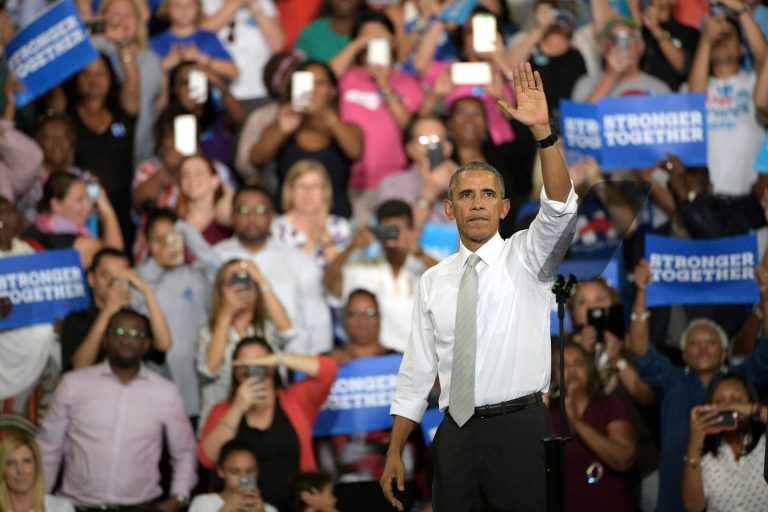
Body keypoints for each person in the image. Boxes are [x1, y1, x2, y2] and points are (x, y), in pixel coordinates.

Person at [381, 63, 577, 511]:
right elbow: (415, 374)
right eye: (466, 196)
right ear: (449, 210)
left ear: (505, 207)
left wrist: (544, 133)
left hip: (520, 428)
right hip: (454, 433)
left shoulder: (530, 257)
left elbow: (561, 209)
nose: (477, 204)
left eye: (487, 194)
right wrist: (395, 449)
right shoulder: (433, 280)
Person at [629, 259, 768, 511]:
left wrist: (766, 296)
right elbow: (640, 351)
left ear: (724, 352)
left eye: (710, 342)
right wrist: (641, 291)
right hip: (677, 502)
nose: (702, 347)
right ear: (683, 355)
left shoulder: (739, 380)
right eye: (694, 342)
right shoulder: (673, 382)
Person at [36, 308, 197, 510]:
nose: (126, 340)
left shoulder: (165, 392)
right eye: (118, 333)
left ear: (146, 344)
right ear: (106, 340)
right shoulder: (74, 384)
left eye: (135, 334)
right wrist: (41, 499)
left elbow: (184, 452)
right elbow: (48, 447)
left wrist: (178, 499)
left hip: (141, 507)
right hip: (77, 506)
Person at [197, 337, 337, 511]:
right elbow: (208, 459)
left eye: (259, 360)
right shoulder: (223, 410)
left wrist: (278, 358)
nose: (253, 367)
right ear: (234, 369)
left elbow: (328, 370)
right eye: (245, 362)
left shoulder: (296, 400)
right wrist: (238, 407)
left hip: (296, 506)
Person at [321, 290, 416, 511]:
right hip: (342, 481)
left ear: (380, 319)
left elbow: (425, 409)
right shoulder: (325, 364)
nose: (362, 320)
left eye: (369, 312)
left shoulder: (402, 362)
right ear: (343, 320)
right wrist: (325, 367)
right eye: (354, 313)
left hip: (397, 475)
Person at [213, 185, 333, 355]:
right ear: (232, 215)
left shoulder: (298, 260)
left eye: (260, 210)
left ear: (272, 216)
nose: (252, 217)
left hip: (292, 362)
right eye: (244, 210)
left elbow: (318, 317)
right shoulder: (214, 258)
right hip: (226, 363)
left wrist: (319, 363)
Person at [338, 10, 425, 225]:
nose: (373, 43)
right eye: (367, 38)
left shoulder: (408, 82)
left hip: (397, 182)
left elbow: (410, 129)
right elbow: (320, 78)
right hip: (354, 182)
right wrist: (357, 44)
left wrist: (385, 85)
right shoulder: (348, 77)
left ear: (393, 43)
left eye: (381, 38)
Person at [249, 60, 362, 218]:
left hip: (335, 220)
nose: (313, 89)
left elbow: (355, 151)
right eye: (307, 82)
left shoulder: (348, 128)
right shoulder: (282, 124)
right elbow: (256, 159)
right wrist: (282, 128)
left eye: (320, 83)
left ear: (333, 90)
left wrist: (328, 117)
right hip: (287, 222)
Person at [324, 199, 437, 353]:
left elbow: (455, 282)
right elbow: (328, 283)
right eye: (387, 230)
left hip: (421, 360)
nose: (392, 237)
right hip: (381, 360)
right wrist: (352, 247)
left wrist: (418, 253)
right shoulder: (363, 268)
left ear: (413, 231)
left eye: (397, 230)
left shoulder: (428, 267)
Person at [196, 258, 294, 430]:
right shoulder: (208, 332)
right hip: (223, 420)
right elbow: (210, 369)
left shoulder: (268, 326)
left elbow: (288, 331)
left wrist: (261, 279)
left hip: (267, 419)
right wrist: (227, 312)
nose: (240, 287)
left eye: (247, 280)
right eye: (232, 280)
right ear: (220, 291)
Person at [137, 208, 213, 418]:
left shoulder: (197, 277)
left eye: (172, 238)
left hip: (197, 382)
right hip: (157, 382)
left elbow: (219, 269)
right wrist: (157, 263)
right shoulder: (139, 280)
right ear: (147, 244)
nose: (166, 245)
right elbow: (134, 301)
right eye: (158, 240)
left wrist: (188, 233)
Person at [549, 343, 636, 511]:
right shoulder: (549, 416)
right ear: (554, 374)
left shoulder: (610, 404)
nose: (572, 370)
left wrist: (577, 424)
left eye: (578, 363)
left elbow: (624, 459)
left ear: (589, 368)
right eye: (564, 365)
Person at [687, 14, 765, 197]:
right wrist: (706, 41)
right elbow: (694, 105)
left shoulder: (754, 83)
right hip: (708, 198)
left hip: (751, 196)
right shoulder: (693, 87)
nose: (720, 39)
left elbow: (764, 59)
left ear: (741, 49)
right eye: (715, 36)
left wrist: (742, 12)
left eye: (728, 35)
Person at [59, 248, 172, 372]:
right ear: (91, 279)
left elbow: (164, 345)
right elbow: (79, 367)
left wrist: (146, 291)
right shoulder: (75, 320)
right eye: (106, 275)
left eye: (120, 277)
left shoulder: (135, 320)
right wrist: (108, 310)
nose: (112, 282)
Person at [682, 373, 768, 512]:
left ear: (750, 401)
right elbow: (693, 507)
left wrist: (755, 410)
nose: (729, 406)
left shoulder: (764, 443)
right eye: (720, 402)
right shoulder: (704, 456)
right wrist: (694, 444)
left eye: (736, 399)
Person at [94, 0, 163, 167]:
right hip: (100, 155)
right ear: (103, 19)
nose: (122, 20)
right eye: (116, 15)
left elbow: (158, 108)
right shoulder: (95, 52)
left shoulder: (152, 60)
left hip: (142, 155)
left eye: (129, 15)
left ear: (138, 21)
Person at [23, 172, 123, 269]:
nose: (88, 206)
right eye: (80, 200)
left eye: (88, 200)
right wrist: (107, 209)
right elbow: (116, 259)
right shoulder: (84, 246)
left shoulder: (33, 229)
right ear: (56, 205)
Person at [200, 0, 284, 109]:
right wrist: (236, 3)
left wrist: (254, 6)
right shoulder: (208, 3)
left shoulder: (263, 2)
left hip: (260, 90)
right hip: (223, 93)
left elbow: (277, 45)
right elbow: (200, 36)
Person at [270, 159, 352, 270]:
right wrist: (313, 237)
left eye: (315, 187)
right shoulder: (276, 227)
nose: (308, 193)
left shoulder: (340, 225)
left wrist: (323, 230)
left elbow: (339, 271)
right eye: (302, 186)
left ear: (325, 191)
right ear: (290, 191)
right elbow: (288, 272)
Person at [571, 17, 670, 102]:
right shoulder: (586, 84)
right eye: (616, 39)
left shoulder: (659, 89)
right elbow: (581, 120)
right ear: (603, 47)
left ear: (641, 46)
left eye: (628, 38)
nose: (622, 45)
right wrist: (610, 77)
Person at [151, 0, 239, 81]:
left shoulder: (208, 38)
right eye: (177, 5)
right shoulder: (156, 42)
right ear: (166, 8)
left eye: (190, 5)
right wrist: (166, 64)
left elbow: (234, 72)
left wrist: (200, 58)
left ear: (198, 8)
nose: (184, 10)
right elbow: (145, 79)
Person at [188, 439, 277, 512]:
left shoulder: (269, 509)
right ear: (221, 471)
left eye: (249, 471)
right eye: (235, 472)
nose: (243, 478)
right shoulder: (204, 503)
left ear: (257, 472)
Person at [0, 435, 75, 512]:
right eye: (11, 463)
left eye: (26, 461)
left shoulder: (61, 508)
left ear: (36, 467)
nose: (20, 470)